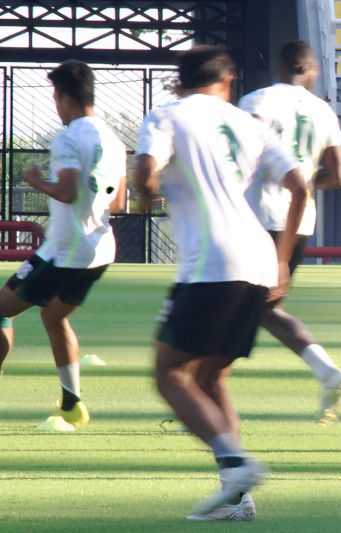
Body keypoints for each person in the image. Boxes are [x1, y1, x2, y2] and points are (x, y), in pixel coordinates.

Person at [134, 46, 306, 521]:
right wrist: (284, 259)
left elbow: (146, 174)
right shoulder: (250, 124)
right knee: (210, 375)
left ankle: (235, 465)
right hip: (258, 258)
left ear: (178, 82)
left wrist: (148, 193)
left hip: (211, 262)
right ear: (227, 79)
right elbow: (301, 186)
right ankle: (237, 499)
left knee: (169, 373)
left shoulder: (167, 115)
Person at [0, 60, 127, 429]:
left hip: (64, 250)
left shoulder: (68, 137)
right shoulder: (114, 139)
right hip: (99, 249)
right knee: (53, 317)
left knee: (2, 310)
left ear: (64, 97)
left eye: (55, 98)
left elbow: (68, 191)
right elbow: (118, 203)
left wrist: (37, 181)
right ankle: (72, 403)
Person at [239, 41, 341, 424]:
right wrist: (304, 180)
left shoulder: (256, 101)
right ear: (310, 68)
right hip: (300, 220)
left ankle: (198, 390)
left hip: (257, 215)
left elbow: (239, 157)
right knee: (262, 308)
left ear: (281, 64)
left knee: (231, 303)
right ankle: (326, 371)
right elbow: (339, 176)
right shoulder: (323, 111)